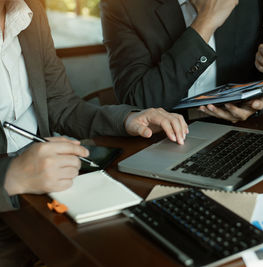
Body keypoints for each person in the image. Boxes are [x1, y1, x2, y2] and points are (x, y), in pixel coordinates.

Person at [0, 0, 187, 265]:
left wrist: (127, 119)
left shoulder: (30, 11)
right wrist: (11, 177)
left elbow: (62, 105)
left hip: (45, 195)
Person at [101, 0, 263, 123]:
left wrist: (260, 103)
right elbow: (139, 101)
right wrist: (205, 22)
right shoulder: (122, 6)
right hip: (162, 138)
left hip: (238, 130)